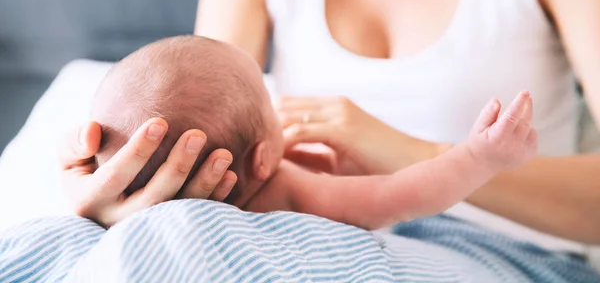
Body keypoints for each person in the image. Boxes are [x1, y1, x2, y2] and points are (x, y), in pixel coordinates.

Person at [59, 0, 600, 279]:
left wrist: (411, 152)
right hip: (323, 246)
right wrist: (125, 200)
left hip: (510, 257)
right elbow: (189, 146)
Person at [92, 34, 537, 229]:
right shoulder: (289, 188)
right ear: (262, 159)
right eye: (270, 102)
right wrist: (480, 158)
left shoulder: (122, 216)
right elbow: (398, 197)